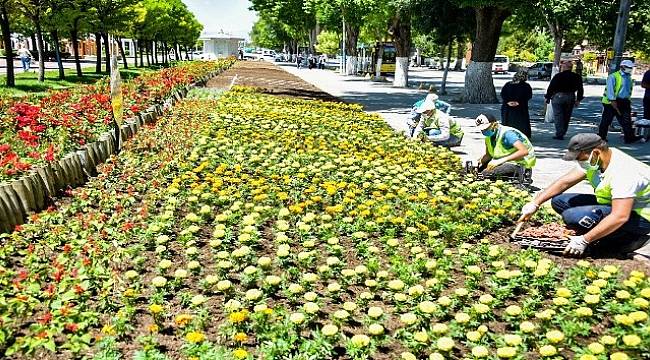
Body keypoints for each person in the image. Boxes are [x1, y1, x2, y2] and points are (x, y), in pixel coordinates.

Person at [520, 133, 650, 258]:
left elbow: (620, 216)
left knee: (574, 216)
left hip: (641, 218)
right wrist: (535, 203)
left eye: (580, 158)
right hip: (616, 203)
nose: (579, 162)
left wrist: (584, 240)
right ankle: (603, 230)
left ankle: (627, 239)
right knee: (559, 201)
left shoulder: (624, 172)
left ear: (596, 152)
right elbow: (564, 182)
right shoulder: (598, 160)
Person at [475, 113, 536, 179]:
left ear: (494, 124)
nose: (484, 131)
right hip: (503, 162)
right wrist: (479, 163)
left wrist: (500, 161)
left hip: (519, 164)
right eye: (482, 130)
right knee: (476, 172)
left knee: (486, 174)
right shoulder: (488, 137)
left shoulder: (508, 134)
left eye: (486, 129)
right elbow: (489, 155)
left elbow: (524, 151)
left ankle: (520, 178)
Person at [599, 60, 642, 144]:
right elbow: (610, 90)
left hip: (624, 101)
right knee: (606, 121)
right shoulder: (613, 76)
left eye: (631, 68)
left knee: (626, 121)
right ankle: (601, 137)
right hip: (611, 102)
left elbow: (627, 90)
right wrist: (612, 101)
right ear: (622, 67)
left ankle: (629, 138)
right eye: (628, 67)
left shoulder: (628, 77)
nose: (630, 69)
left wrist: (628, 100)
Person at [545, 61, 584, 140]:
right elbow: (580, 89)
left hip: (558, 96)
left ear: (565, 67)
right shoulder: (576, 76)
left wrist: (548, 97)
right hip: (570, 96)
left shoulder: (558, 76)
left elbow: (551, 87)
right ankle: (563, 131)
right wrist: (578, 99)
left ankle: (559, 133)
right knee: (567, 115)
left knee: (558, 115)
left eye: (562, 66)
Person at [500, 69, 533, 138]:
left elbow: (503, 94)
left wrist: (508, 102)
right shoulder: (526, 86)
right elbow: (528, 96)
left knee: (508, 122)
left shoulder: (508, 84)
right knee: (520, 123)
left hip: (507, 107)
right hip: (521, 108)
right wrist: (518, 102)